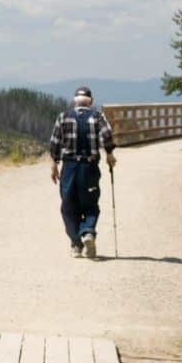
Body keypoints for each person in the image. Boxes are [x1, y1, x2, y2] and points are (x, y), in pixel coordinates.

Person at [48, 86, 117, 258]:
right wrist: (109, 154)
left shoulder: (63, 117)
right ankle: (87, 232)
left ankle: (76, 245)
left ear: (74, 101)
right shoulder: (97, 116)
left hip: (69, 167)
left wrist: (54, 164)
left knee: (68, 207)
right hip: (90, 167)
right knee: (91, 205)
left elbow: (55, 142)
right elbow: (107, 134)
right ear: (91, 101)